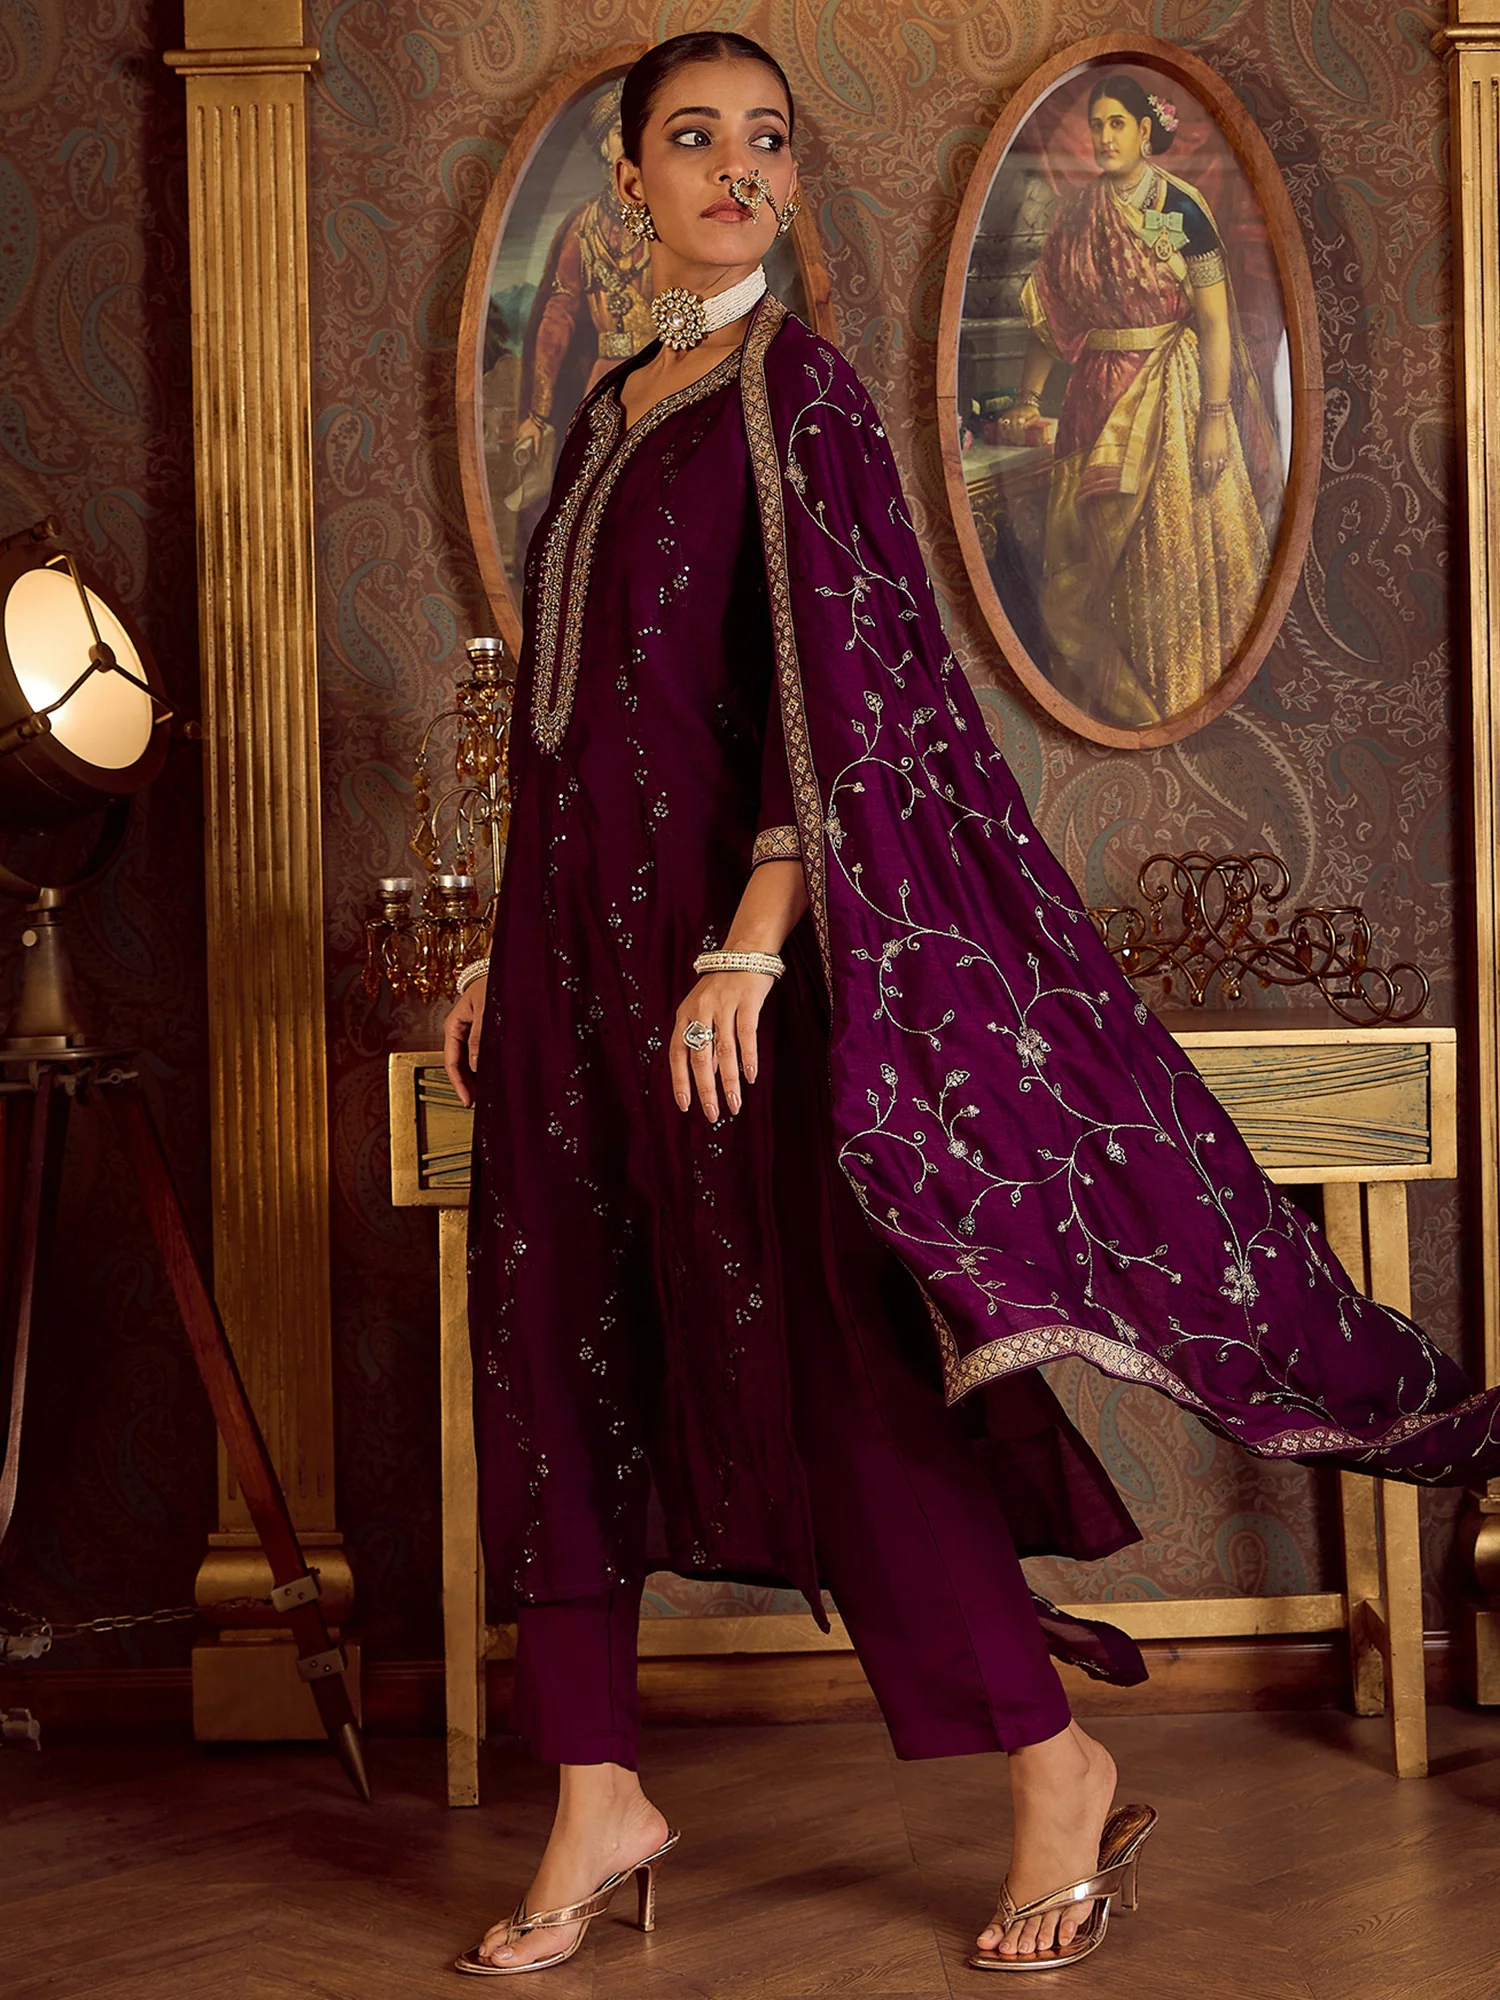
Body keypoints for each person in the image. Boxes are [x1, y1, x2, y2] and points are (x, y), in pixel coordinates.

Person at [443, 32, 1500, 1979]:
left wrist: (751, 946)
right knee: (556, 1350)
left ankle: (1054, 1764)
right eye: (696, 140)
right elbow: (573, 733)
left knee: (847, 1380)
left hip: (738, 988)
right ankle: (595, 1785)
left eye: (767, 140)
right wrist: (501, 948)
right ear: (631, 177)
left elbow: (846, 710)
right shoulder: (609, 409)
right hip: (571, 975)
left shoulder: (799, 394)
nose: (738, 170)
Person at [996, 73, 1282, 728]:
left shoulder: (1182, 208)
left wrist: (1215, 419)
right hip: (1091, 401)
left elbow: (1214, 319)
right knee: (1081, 575)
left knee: (1162, 564)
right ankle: (1114, 713)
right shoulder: (1077, 213)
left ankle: (1170, 709)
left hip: (1173, 402)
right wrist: (1028, 397)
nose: (1105, 137)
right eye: (1097, 125)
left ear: (1145, 130)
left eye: (1117, 124)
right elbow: (1051, 316)